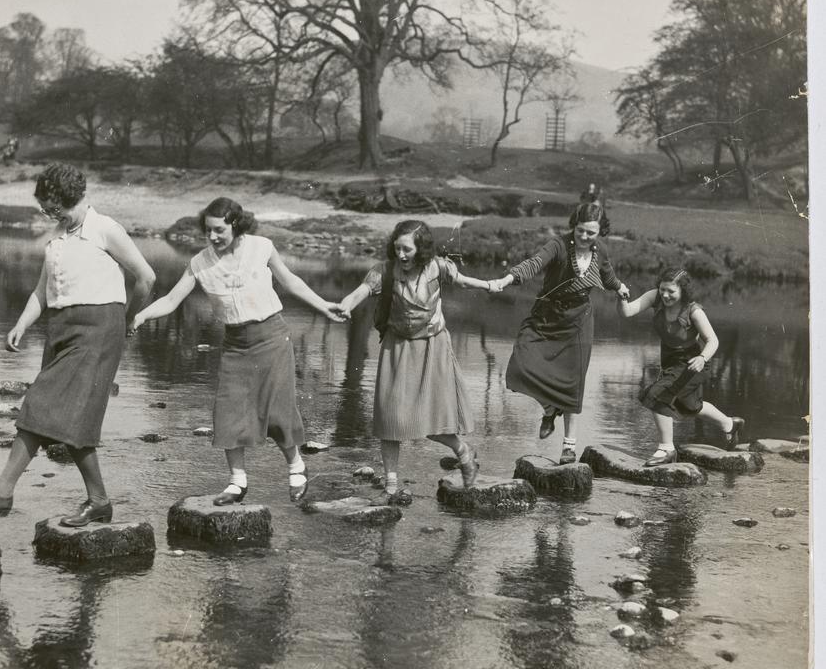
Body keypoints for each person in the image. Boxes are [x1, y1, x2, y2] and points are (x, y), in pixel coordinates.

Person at [0, 163, 155, 525]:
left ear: (73, 198)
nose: (49, 214)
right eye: (46, 209)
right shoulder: (59, 235)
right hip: (62, 329)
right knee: (68, 418)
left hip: (98, 331)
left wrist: (127, 319)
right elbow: (41, 290)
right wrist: (20, 324)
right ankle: (98, 501)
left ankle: (1, 492)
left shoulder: (106, 229)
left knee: (42, 405)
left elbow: (146, 277)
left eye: (53, 208)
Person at [129, 197, 345, 506]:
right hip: (235, 344)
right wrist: (142, 315)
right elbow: (172, 300)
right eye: (208, 231)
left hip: (272, 338)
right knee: (228, 409)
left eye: (219, 230)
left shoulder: (261, 247)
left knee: (276, 409)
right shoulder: (200, 262)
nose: (213, 237)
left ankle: (296, 465)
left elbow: (290, 281)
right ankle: (237, 482)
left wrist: (324, 305)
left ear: (236, 225)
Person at [335, 220, 489, 504]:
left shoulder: (438, 267)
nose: (402, 255)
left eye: (407, 249)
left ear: (422, 250)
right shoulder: (385, 271)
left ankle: (465, 455)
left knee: (433, 420)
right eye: (397, 249)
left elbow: (463, 281)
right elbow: (362, 291)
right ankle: (391, 486)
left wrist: (492, 284)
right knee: (390, 417)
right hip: (398, 348)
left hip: (433, 346)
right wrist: (345, 304)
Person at [488, 190, 630, 464]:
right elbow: (534, 264)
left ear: (600, 232)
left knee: (573, 384)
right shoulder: (558, 246)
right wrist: (507, 279)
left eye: (591, 233)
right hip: (546, 316)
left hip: (578, 323)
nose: (585, 237)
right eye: (581, 230)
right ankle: (549, 406)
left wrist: (620, 287)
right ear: (573, 226)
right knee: (521, 362)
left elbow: (608, 276)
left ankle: (569, 446)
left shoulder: (602, 252)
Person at [617, 267, 744, 465]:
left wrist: (702, 358)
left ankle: (667, 449)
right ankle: (729, 424)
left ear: (683, 291)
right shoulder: (655, 297)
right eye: (662, 290)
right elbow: (627, 312)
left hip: (693, 362)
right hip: (669, 359)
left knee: (657, 395)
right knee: (689, 406)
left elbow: (713, 341)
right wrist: (621, 297)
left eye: (671, 292)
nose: (665, 295)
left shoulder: (694, 311)